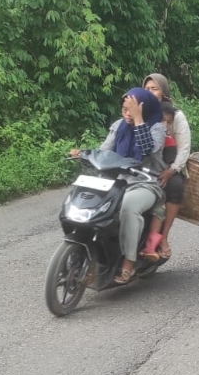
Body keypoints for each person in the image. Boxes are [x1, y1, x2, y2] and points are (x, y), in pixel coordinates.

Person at [72, 88, 167, 284]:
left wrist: (139, 120)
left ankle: (129, 263)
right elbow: (104, 151)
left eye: (132, 110)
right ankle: (91, 252)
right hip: (115, 181)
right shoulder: (118, 126)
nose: (127, 114)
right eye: (124, 109)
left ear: (143, 109)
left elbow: (147, 148)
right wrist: (84, 154)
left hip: (144, 183)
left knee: (128, 207)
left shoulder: (157, 128)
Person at [142, 73, 191, 259]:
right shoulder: (138, 111)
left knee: (175, 186)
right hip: (145, 163)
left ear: (164, 92)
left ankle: (163, 237)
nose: (151, 93)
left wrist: (172, 170)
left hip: (169, 164)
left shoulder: (175, 115)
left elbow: (184, 147)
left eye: (155, 89)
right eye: (147, 89)